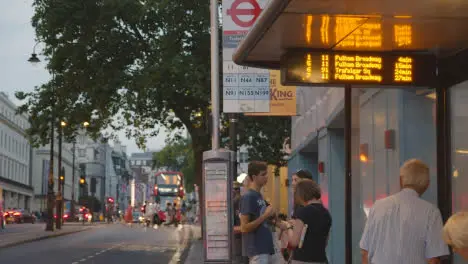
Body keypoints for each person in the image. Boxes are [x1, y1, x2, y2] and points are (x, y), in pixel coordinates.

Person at [360, 159, 449, 264]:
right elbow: (433, 260)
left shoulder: (378, 206)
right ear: (427, 184)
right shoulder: (431, 212)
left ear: (400, 180)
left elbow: (365, 252)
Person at [280, 179, 331, 263]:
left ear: (301, 194)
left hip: (303, 259)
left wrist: (288, 227)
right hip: (321, 259)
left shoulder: (303, 211)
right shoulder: (326, 213)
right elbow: (325, 242)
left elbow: (294, 242)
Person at [240, 161, 278, 264]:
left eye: (267, 174)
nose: (266, 177)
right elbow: (244, 227)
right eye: (263, 174)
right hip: (257, 251)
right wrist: (265, 215)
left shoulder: (258, 195)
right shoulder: (248, 197)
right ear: (254, 177)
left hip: (266, 250)